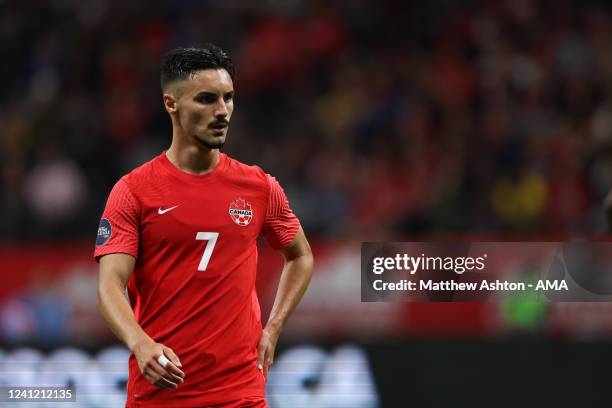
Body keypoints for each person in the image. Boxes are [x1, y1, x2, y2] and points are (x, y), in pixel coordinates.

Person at [95, 44, 314, 407]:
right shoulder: (133, 191)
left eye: (228, 98)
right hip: (161, 391)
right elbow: (109, 286)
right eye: (207, 99)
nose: (222, 111)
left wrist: (272, 328)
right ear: (171, 104)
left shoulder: (259, 187)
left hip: (240, 392)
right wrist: (140, 343)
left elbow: (301, 256)